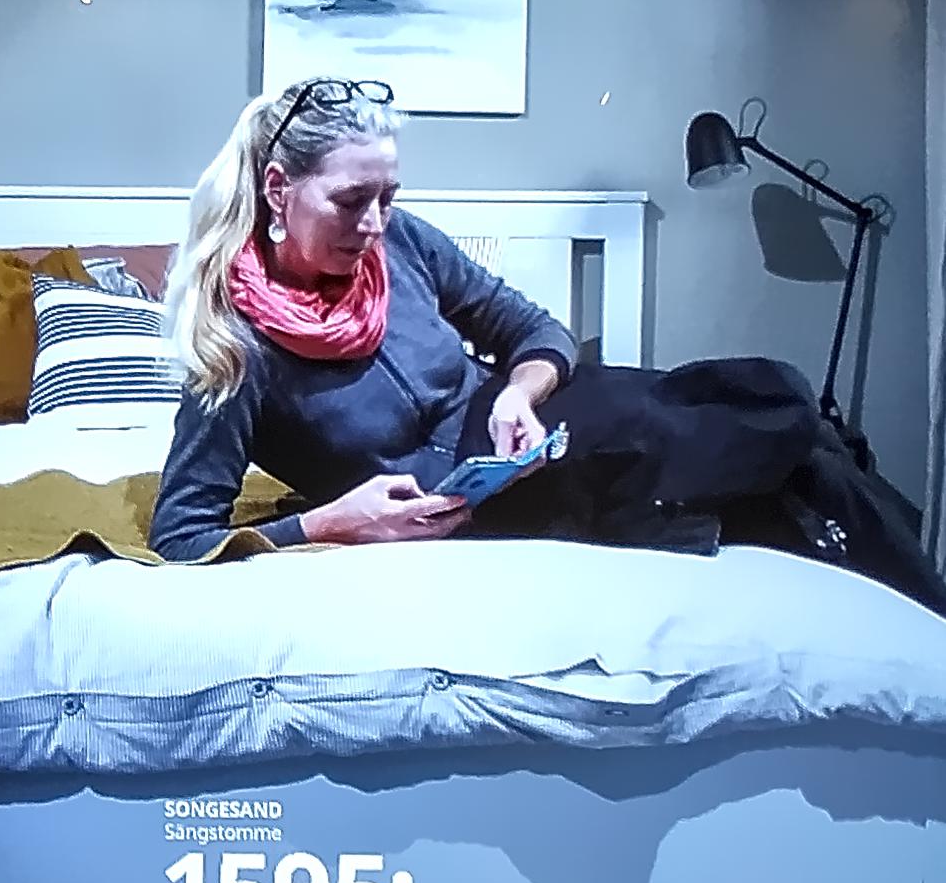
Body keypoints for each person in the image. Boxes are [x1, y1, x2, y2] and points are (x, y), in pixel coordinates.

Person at [148, 75, 946, 618]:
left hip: (527, 428)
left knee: (773, 403)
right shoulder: (234, 347)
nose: (375, 223)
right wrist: (329, 524)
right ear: (279, 189)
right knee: (786, 441)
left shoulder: (401, 246)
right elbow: (181, 538)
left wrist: (517, 394)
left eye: (388, 197)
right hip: (472, 500)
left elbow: (536, 331)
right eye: (352, 199)